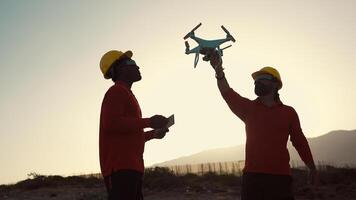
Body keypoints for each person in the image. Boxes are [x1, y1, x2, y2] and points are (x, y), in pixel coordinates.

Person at [209, 51, 318, 200]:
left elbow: (299, 141)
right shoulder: (248, 108)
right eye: (256, 79)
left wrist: (311, 166)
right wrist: (218, 70)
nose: (257, 82)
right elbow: (227, 93)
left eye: (262, 78)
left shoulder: (289, 112)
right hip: (253, 179)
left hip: (280, 179)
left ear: (275, 84)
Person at [99, 50, 170, 200]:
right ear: (116, 70)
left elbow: (129, 134)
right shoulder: (116, 91)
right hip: (120, 168)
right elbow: (111, 123)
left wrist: (153, 134)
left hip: (132, 167)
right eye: (131, 63)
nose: (137, 66)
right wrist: (149, 122)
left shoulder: (127, 94)